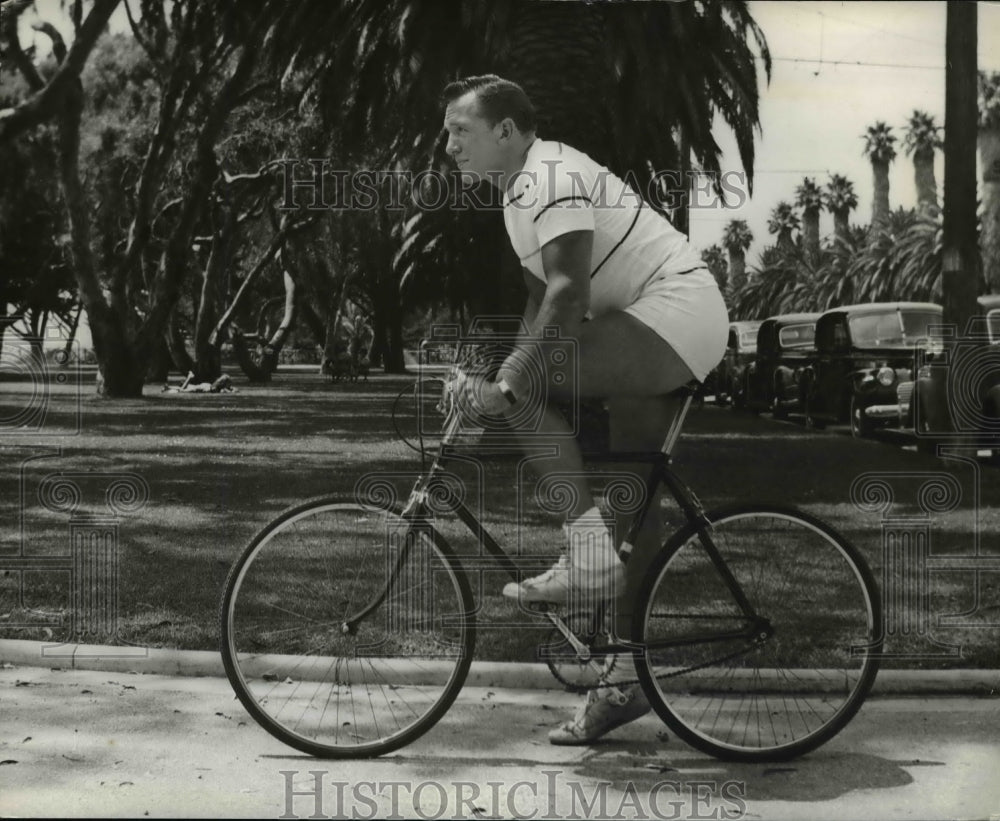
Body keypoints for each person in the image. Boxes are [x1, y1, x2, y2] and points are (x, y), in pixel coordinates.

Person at [442, 75, 728, 744]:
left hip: (676, 310)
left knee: (531, 386)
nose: (447, 144)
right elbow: (535, 313)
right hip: (646, 318)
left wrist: (507, 390)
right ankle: (626, 679)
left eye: (461, 129)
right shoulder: (518, 197)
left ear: (506, 131)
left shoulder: (551, 174)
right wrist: (496, 386)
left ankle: (587, 553)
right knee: (636, 503)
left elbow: (568, 298)